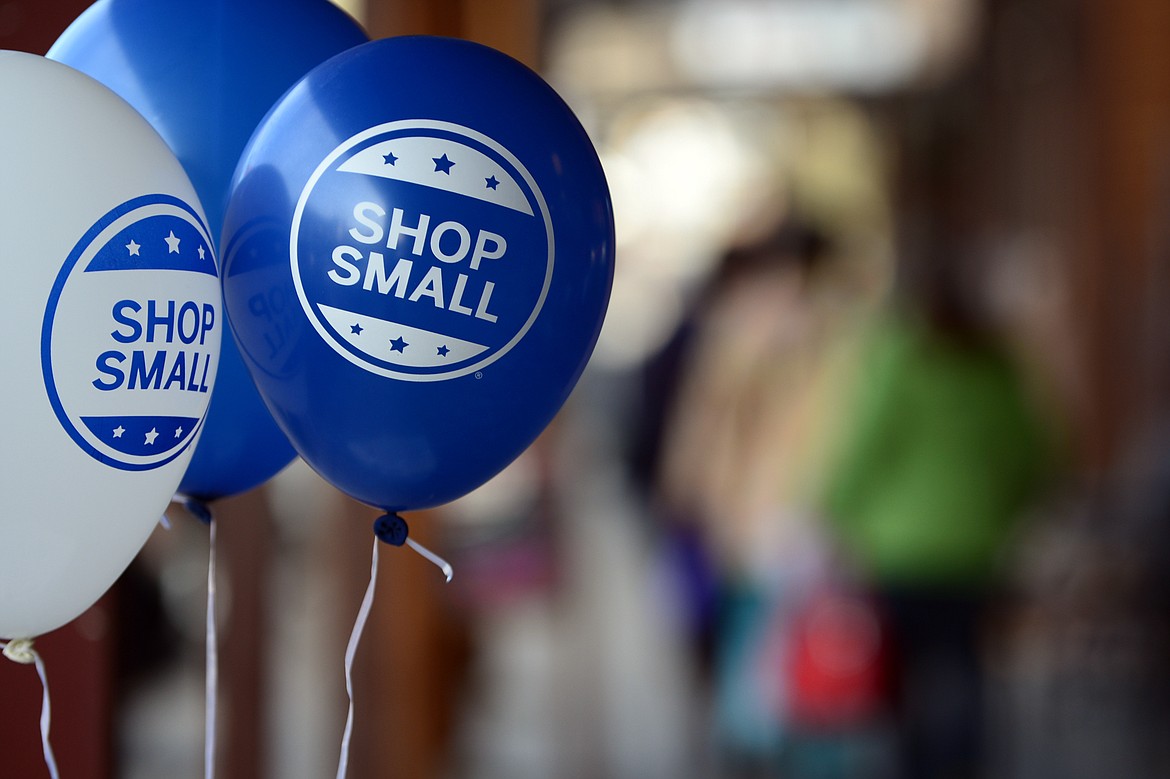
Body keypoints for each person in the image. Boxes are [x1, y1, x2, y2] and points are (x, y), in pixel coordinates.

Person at [821, 246, 1054, 779]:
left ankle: (913, 766)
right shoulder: (997, 367)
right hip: (977, 550)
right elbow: (1038, 456)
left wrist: (834, 513)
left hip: (899, 550)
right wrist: (1002, 511)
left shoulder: (898, 358)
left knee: (902, 679)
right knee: (967, 673)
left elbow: (863, 449)